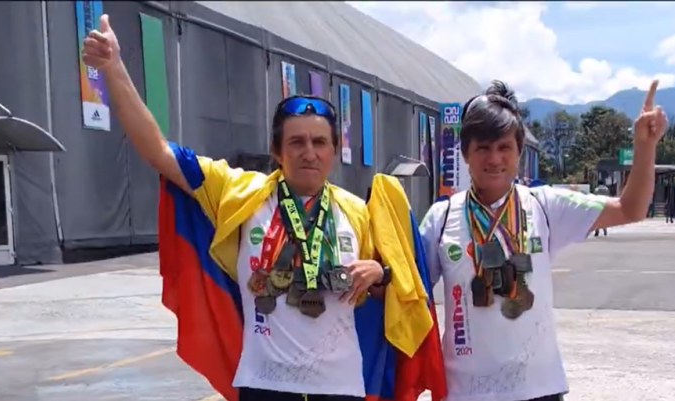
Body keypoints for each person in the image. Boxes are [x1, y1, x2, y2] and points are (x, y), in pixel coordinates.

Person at [82, 14, 445, 401]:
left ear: (335, 151)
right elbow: (159, 152)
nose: (309, 153)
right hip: (264, 384)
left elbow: (390, 296)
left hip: (341, 386)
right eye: (297, 142)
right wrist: (114, 69)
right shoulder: (240, 193)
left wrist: (381, 272)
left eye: (320, 142)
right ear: (277, 151)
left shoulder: (359, 211)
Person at [420, 79, 665, 401]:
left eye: (504, 147)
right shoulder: (440, 219)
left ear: (519, 152)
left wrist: (644, 146)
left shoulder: (545, 206)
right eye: (483, 147)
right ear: (465, 153)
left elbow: (630, 209)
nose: (494, 159)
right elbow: (407, 291)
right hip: (464, 391)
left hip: (538, 389)